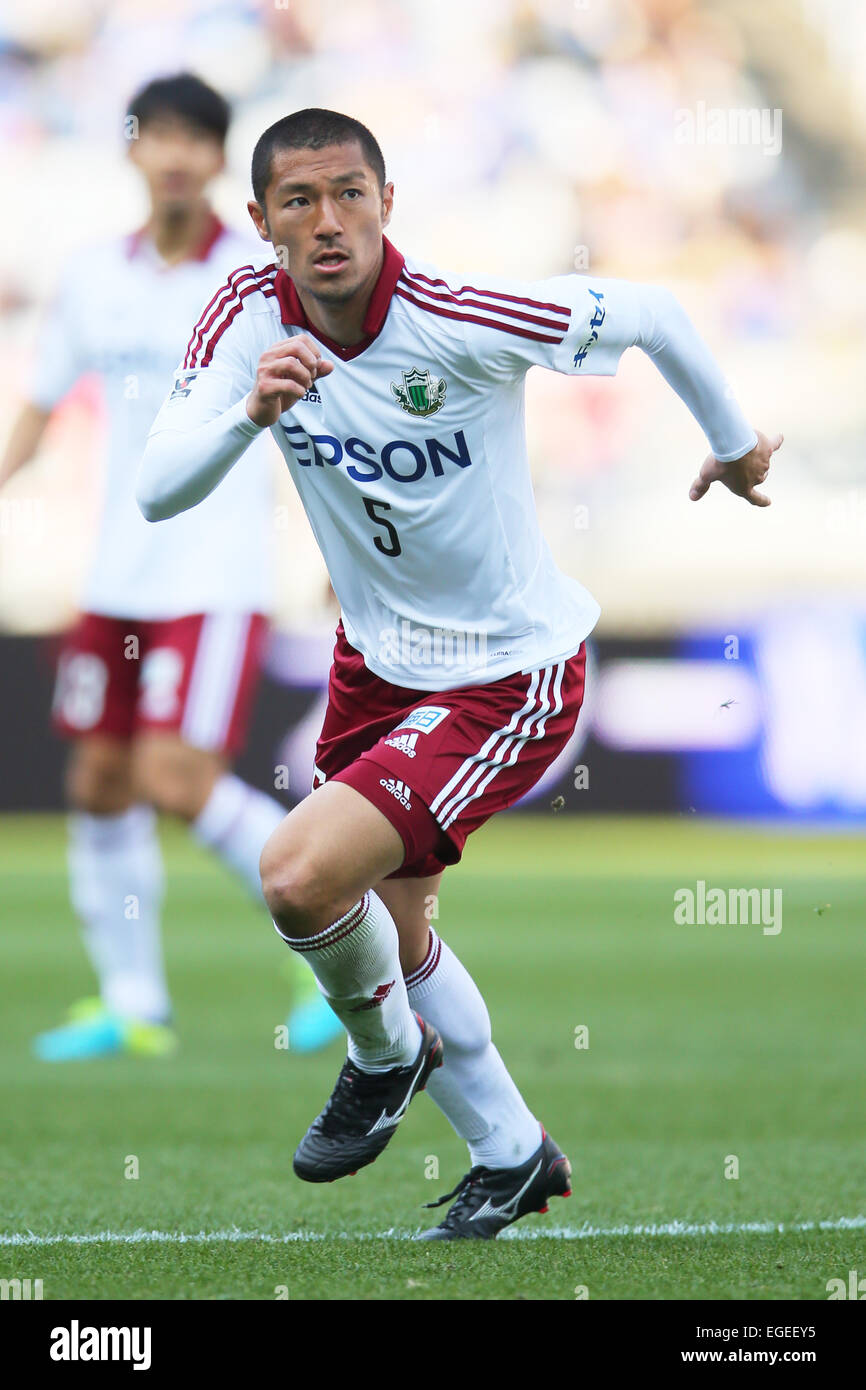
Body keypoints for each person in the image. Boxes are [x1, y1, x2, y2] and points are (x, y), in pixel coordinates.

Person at [137, 107, 782, 1237]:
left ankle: (383, 1053)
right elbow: (157, 486)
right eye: (299, 200)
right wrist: (251, 414)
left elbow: (653, 312)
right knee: (393, 928)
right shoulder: (246, 315)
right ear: (260, 221)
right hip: (375, 665)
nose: (327, 221)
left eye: (349, 194)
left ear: (388, 202)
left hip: (507, 674)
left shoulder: (458, 314)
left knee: (297, 876)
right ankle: (511, 1153)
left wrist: (731, 443)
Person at [0, 77, 341, 1060]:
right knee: (101, 779)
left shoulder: (259, 281)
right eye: (162, 135)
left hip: (214, 568)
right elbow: (43, 401)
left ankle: (328, 945)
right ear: (133, 148)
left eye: (199, 137)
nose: (179, 154)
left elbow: (314, 418)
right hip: (116, 569)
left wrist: (331, 548)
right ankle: (133, 1004)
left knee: (176, 775)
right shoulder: (90, 276)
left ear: (219, 157)